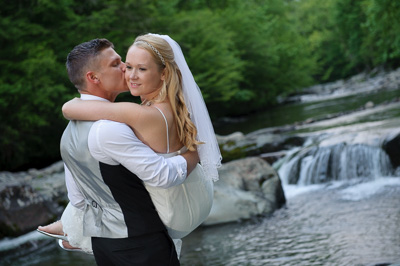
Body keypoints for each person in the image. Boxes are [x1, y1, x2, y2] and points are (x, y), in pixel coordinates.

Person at [39, 34, 222, 262]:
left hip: (108, 241)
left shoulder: (70, 134)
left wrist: (70, 105)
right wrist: (194, 153)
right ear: (93, 77)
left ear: (163, 73)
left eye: (139, 68)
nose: (126, 71)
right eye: (120, 64)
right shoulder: (116, 125)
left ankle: (70, 230)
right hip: (142, 240)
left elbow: (77, 196)